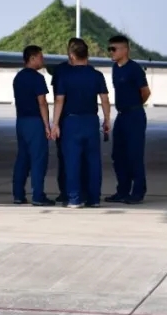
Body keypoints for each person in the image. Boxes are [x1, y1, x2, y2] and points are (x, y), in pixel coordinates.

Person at [50, 38, 110, 208]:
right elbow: (105, 99)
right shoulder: (97, 75)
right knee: (93, 161)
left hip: (71, 121)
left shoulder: (65, 76)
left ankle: (75, 198)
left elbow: (59, 100)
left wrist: (55, 124)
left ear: (72, 55)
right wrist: (106, 119)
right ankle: (94, 199)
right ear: (87, 55)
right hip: (91, 120)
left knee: (72, 161)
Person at [105, 34, 151, 204]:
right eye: (109, 49)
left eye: (114, 49)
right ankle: (122, 190)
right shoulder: (115, 68)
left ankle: (138, 192)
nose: (111, 52)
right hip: (122, 115)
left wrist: (135, 106)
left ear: (125, 50)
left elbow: (145, 92)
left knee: (134, 155)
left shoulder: (135, 69)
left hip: (134, 115)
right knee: (118, 155)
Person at [12, 45, 54, 206]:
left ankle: (18, 194)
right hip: (35, 122)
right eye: (40, 57)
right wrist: (47, 125)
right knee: (38, 160)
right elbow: (42, 102)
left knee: (22, 158)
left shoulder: (18, 77)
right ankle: (37, 195)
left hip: (21, 121)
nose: (42, 60)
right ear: (33, 58)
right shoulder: (37, 78)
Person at [49, 38, 81, 205]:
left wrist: (55, 123)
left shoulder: (61, 71)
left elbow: (58, 98)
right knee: (72, 158)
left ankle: (68, 192)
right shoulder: (89, 72)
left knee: (67, 158)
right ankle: (72, 192)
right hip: (71, 119)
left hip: (66, 120)